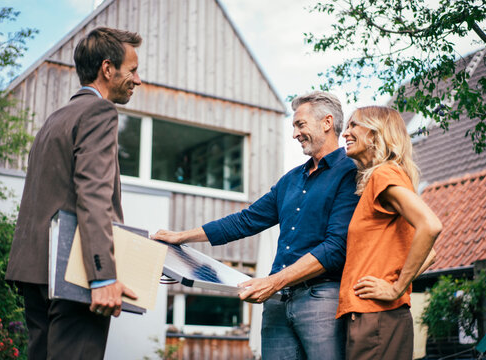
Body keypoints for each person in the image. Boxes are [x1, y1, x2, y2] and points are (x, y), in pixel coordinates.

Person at [153, 91, 360, 359]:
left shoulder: (351, 173)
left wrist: (273, 282)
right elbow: (245, 220)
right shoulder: (290, 180)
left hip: (321, 299)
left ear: (327, 122)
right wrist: (182, 237)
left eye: (300, 124)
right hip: (276, 302)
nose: (295, 134)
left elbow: (335, 247)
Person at [5, 27, 142, 360]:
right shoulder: (100, 112)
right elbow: (92, 195)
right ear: (108, 69)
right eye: (133, 70)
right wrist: (102, 276)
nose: (138, 80)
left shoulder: (56, 118)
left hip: (35, 271)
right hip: (73, 275)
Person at [337, 106, 442, 360]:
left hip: (376, 318)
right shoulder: (383, 178)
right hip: (375, 317)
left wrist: (395, 288)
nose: (345, 133)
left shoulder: (384, 174)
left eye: (354, 125)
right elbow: (430, 255)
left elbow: (430, 225)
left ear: (375, 134)